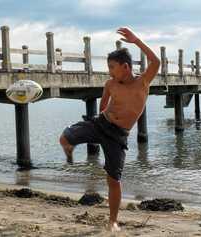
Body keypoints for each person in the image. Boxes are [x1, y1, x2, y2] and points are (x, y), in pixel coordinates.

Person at [59, 27, 160, 233]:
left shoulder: (143, 82)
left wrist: (136, 40)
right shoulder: (110, 84)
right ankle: (69, 150)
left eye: (112, 67)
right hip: (101, 124)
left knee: (113, 179)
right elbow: (103, 107)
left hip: (118, 135)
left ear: (125, 67)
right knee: (64, 138)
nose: (109, 71)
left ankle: (113, 220)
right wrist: (98, 123)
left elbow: (156, 62)